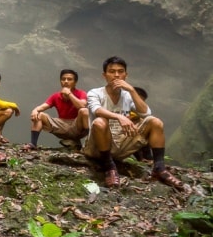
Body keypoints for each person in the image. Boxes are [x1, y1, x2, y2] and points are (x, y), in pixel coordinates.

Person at [82, 56, 183, 190]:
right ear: (104, 75)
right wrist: (120, 117)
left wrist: (131, 90)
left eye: (120, 71)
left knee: (155, 122)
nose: (116, 75)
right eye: (112, 71)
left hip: (121, 145)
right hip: (97, 148)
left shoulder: (128, 95)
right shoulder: (95, 93)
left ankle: (159, 168)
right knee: (100, 122)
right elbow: (97, 110)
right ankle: (109, 167)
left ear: (126, 75)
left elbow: (146, 113)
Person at [23, 69, 89, 151]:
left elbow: (82, 105)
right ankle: (33, 144)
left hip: (77, 126)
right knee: (39, 114)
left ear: (75, 82)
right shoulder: (56, 96)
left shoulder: (81, 93)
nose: (66, 81)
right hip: (61, 125)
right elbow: (42, 107)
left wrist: (69, 94)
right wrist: (35, 110)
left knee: (84, 111)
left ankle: (89, 141)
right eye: (63, 79)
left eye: (69, 79)